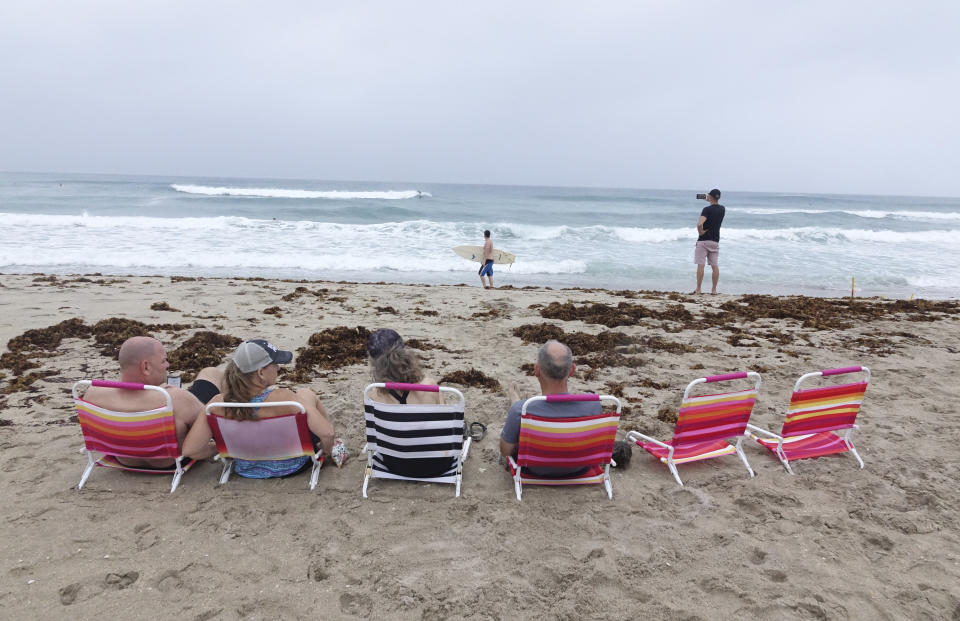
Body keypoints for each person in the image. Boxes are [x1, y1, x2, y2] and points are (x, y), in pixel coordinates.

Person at [182, 339, 340, 478]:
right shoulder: (284, 399)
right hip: (293, 466)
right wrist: (325, 451)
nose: (278, 367)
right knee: (305, 394)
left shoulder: (217, 405)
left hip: (245, 469)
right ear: (261, 373)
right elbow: (327, 432)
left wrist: (224, 448)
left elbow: (190, 450)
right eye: (274, 364)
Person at [80, 336, 222, 467]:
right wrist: (215, 449)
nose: (168, 365)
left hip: (124, 459)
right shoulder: (176, 399)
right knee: (210, 373)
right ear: (146, 367)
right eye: (163, 360)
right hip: (169, 462)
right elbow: (213, 429)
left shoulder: (94, 393)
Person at [499, 340, 602, 476]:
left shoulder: (520, 410)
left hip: (534, 469)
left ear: (536, 370)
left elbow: (505, 450)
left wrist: (516, 405)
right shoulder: (593, 404)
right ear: (572, 370)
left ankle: (523, 400)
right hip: (579, 468)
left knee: (520, 418)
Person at [365, 329, 455, 478]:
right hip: (437, 464)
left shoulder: (372, 394)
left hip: (395, 464)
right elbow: (446, 425)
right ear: (405, 354)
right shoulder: (429, 386)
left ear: (373, 362)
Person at [695, 188, 725, 294]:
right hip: (715, 241)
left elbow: (699, 224)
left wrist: (701, 232)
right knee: (714, 266)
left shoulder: (706, 210)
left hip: (703, 241)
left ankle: (698, 289)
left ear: (710, 197)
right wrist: (711, 200)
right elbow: (715, 205)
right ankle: (714, 290)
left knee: (701, 265)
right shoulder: (722, 209)